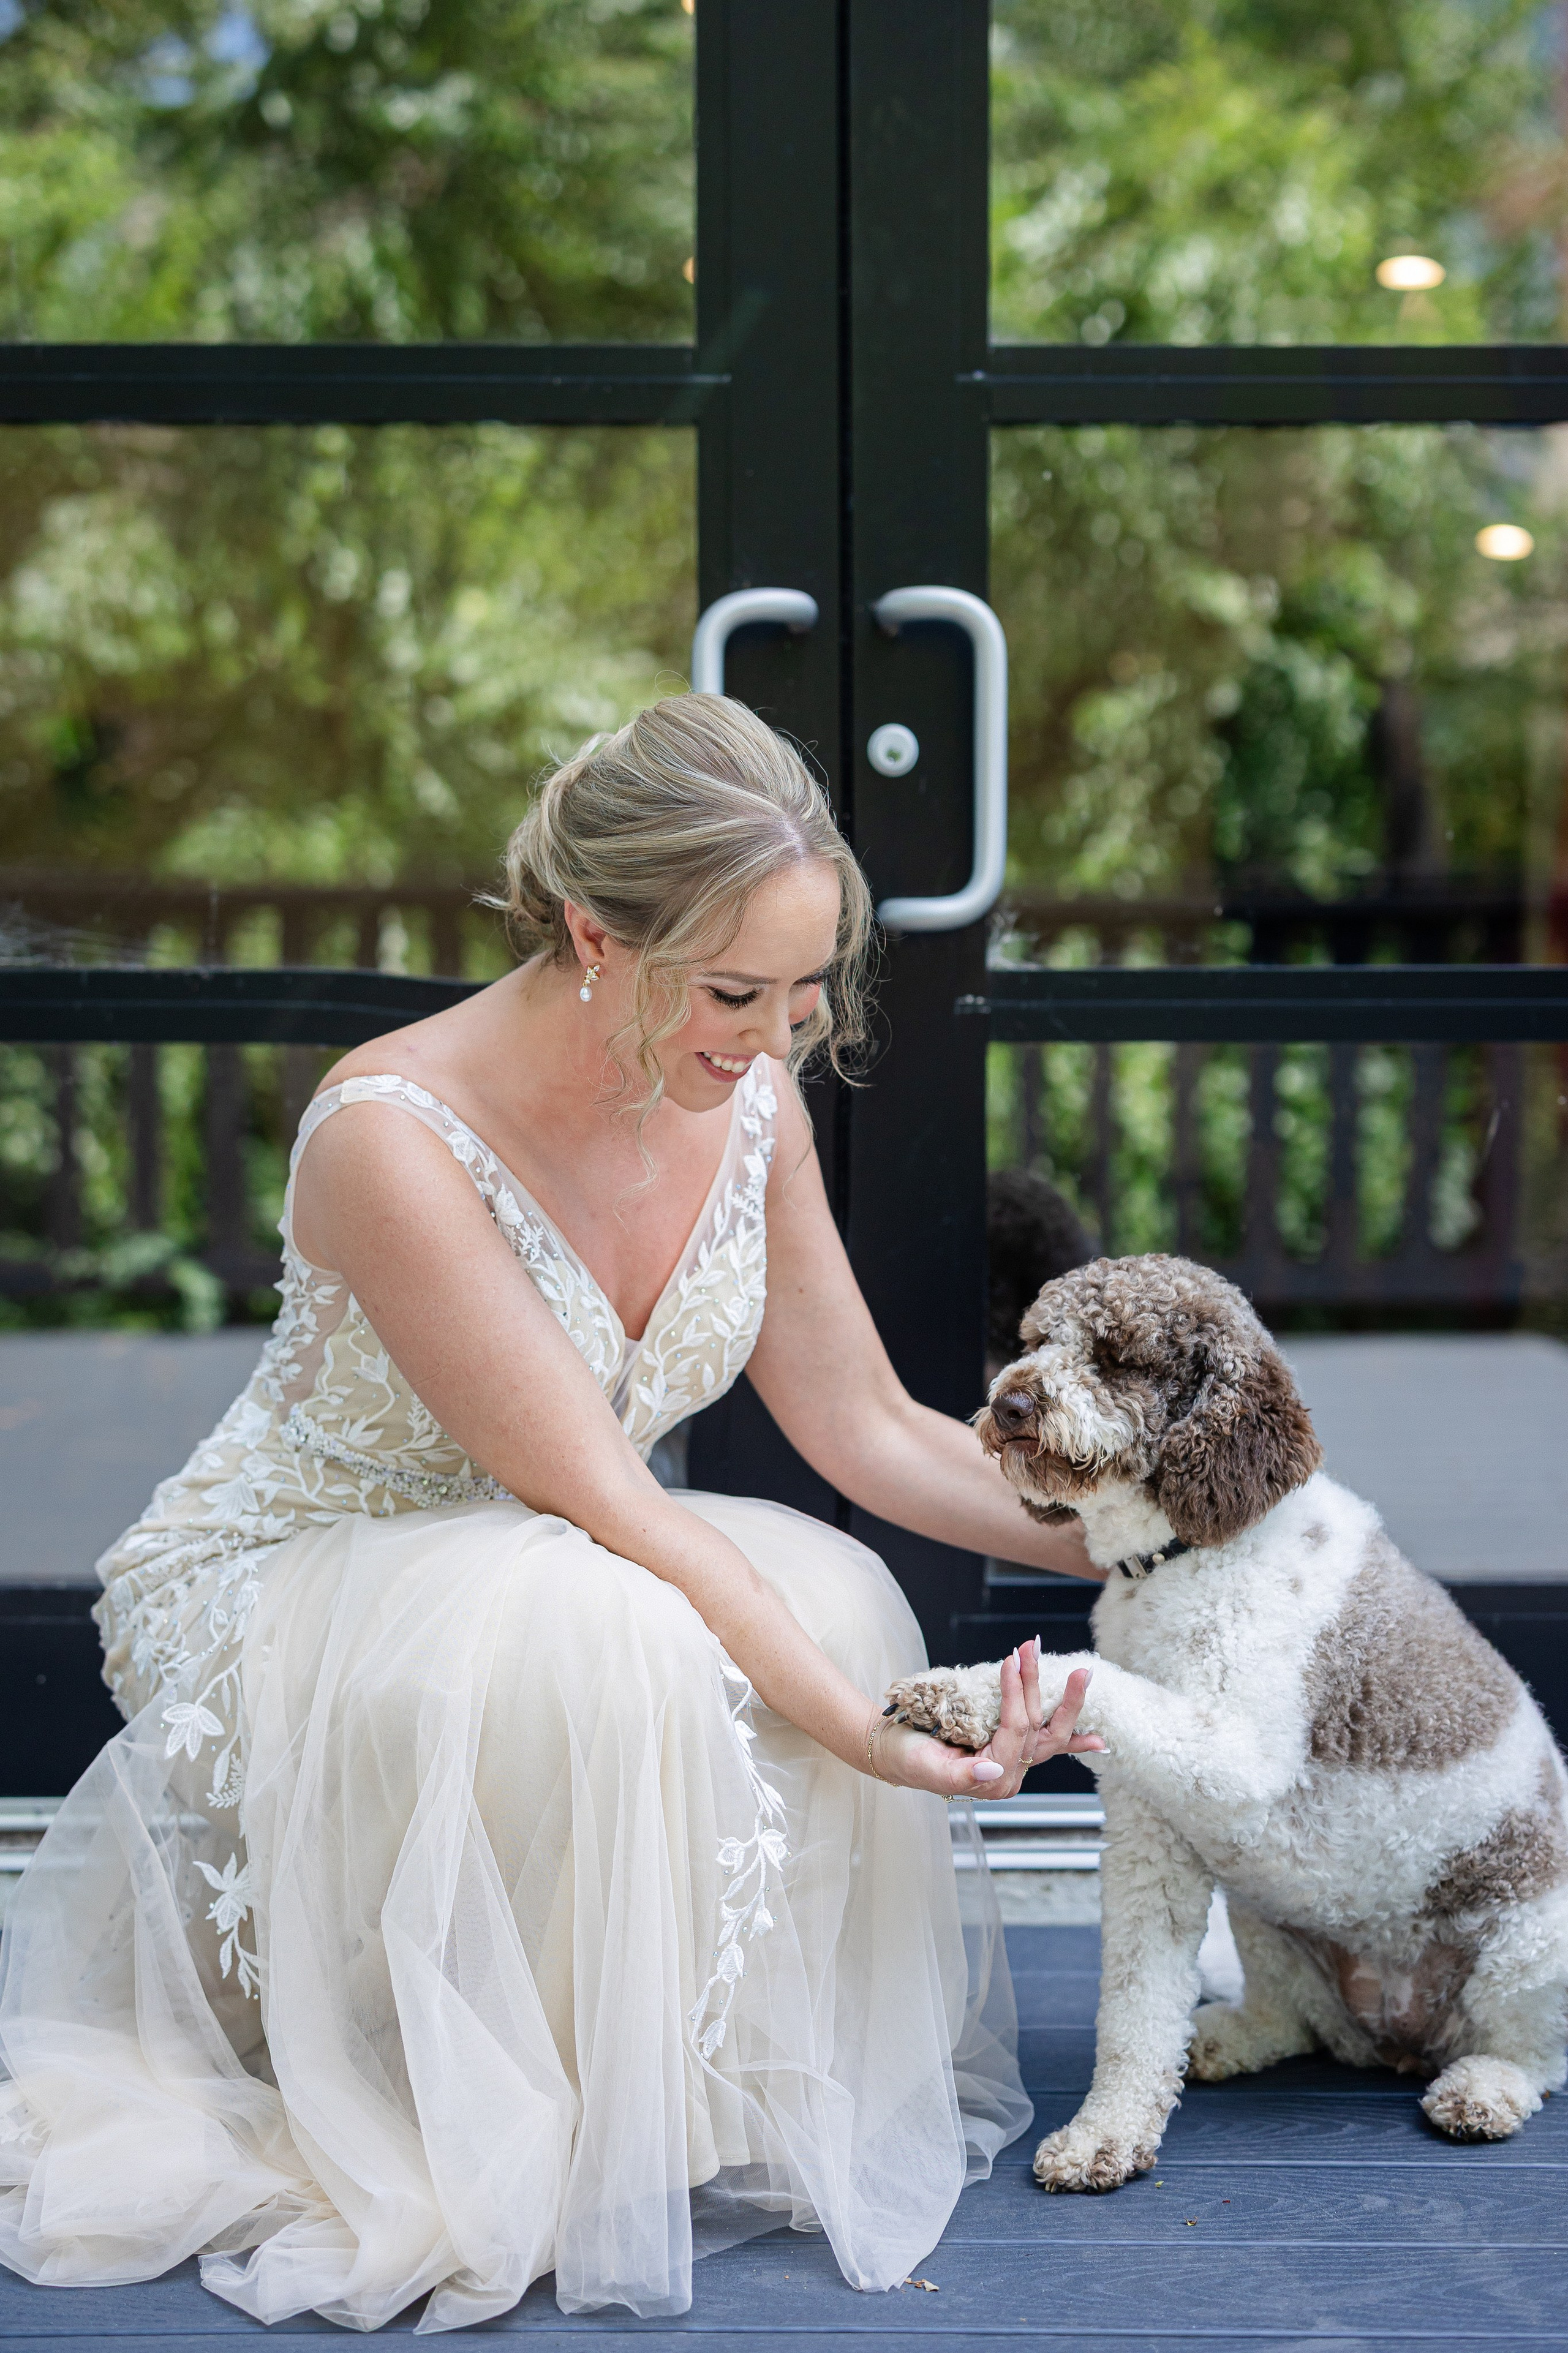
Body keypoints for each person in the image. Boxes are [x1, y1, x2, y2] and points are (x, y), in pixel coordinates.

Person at [0, 695, 1104, 2332]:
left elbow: (871, 1427)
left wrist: (1148, 1535)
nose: (776, 1038)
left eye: (804, 995)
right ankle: (458, 2091)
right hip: (297, 1581)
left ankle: (635, 2090)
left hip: (550, 1564)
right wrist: (873, 1731)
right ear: (596, 934)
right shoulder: (393, 1135)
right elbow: (607, 1501)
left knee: (834, 1578)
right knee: (634, 1620)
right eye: (736, 992)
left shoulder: (748, 1101)